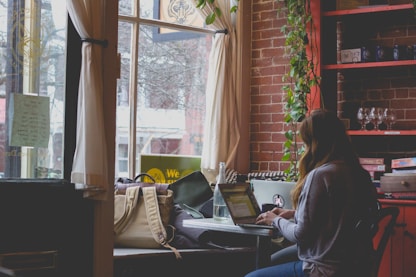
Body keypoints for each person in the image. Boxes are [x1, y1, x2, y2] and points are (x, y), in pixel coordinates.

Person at [245, 109, 379, 277]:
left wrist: (275, 220)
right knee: (269, 261)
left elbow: (300, 235)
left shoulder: (321, 175)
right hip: (355, 265)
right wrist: (293, 213)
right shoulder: (359, 173)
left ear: (315, 143)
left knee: (252, 275)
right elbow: (340, 215)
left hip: (324, 268)